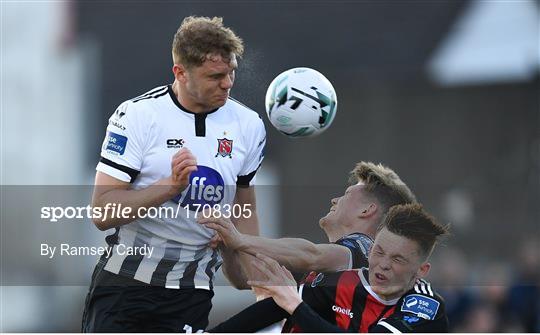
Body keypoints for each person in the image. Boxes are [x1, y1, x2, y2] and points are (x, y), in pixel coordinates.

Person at [81, 16, 266, 332]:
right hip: (125, 288)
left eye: (232, 72)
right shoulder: (137, 116)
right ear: (180, 73)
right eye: (216, 76)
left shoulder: (248, 126)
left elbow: (244, 210)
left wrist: (253, 273)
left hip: (190, 294)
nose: (228, 83)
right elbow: (102, 212)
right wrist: (169, 187)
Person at [209, 204, 450, 333]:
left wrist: (295, 304)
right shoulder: (345, 282)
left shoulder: (424, 307)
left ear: (421, 271)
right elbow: (275, 308)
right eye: (378, 252)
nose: (383, 265)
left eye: (397, 260)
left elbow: (293, 302)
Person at [200, 161, 417, 274]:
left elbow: (311, 254)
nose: (335, 199)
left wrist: (240, 239)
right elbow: (253, 280)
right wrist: (228, 249)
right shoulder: (329, 266)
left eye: (347, 194)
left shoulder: (365, 249)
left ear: (367, 210)